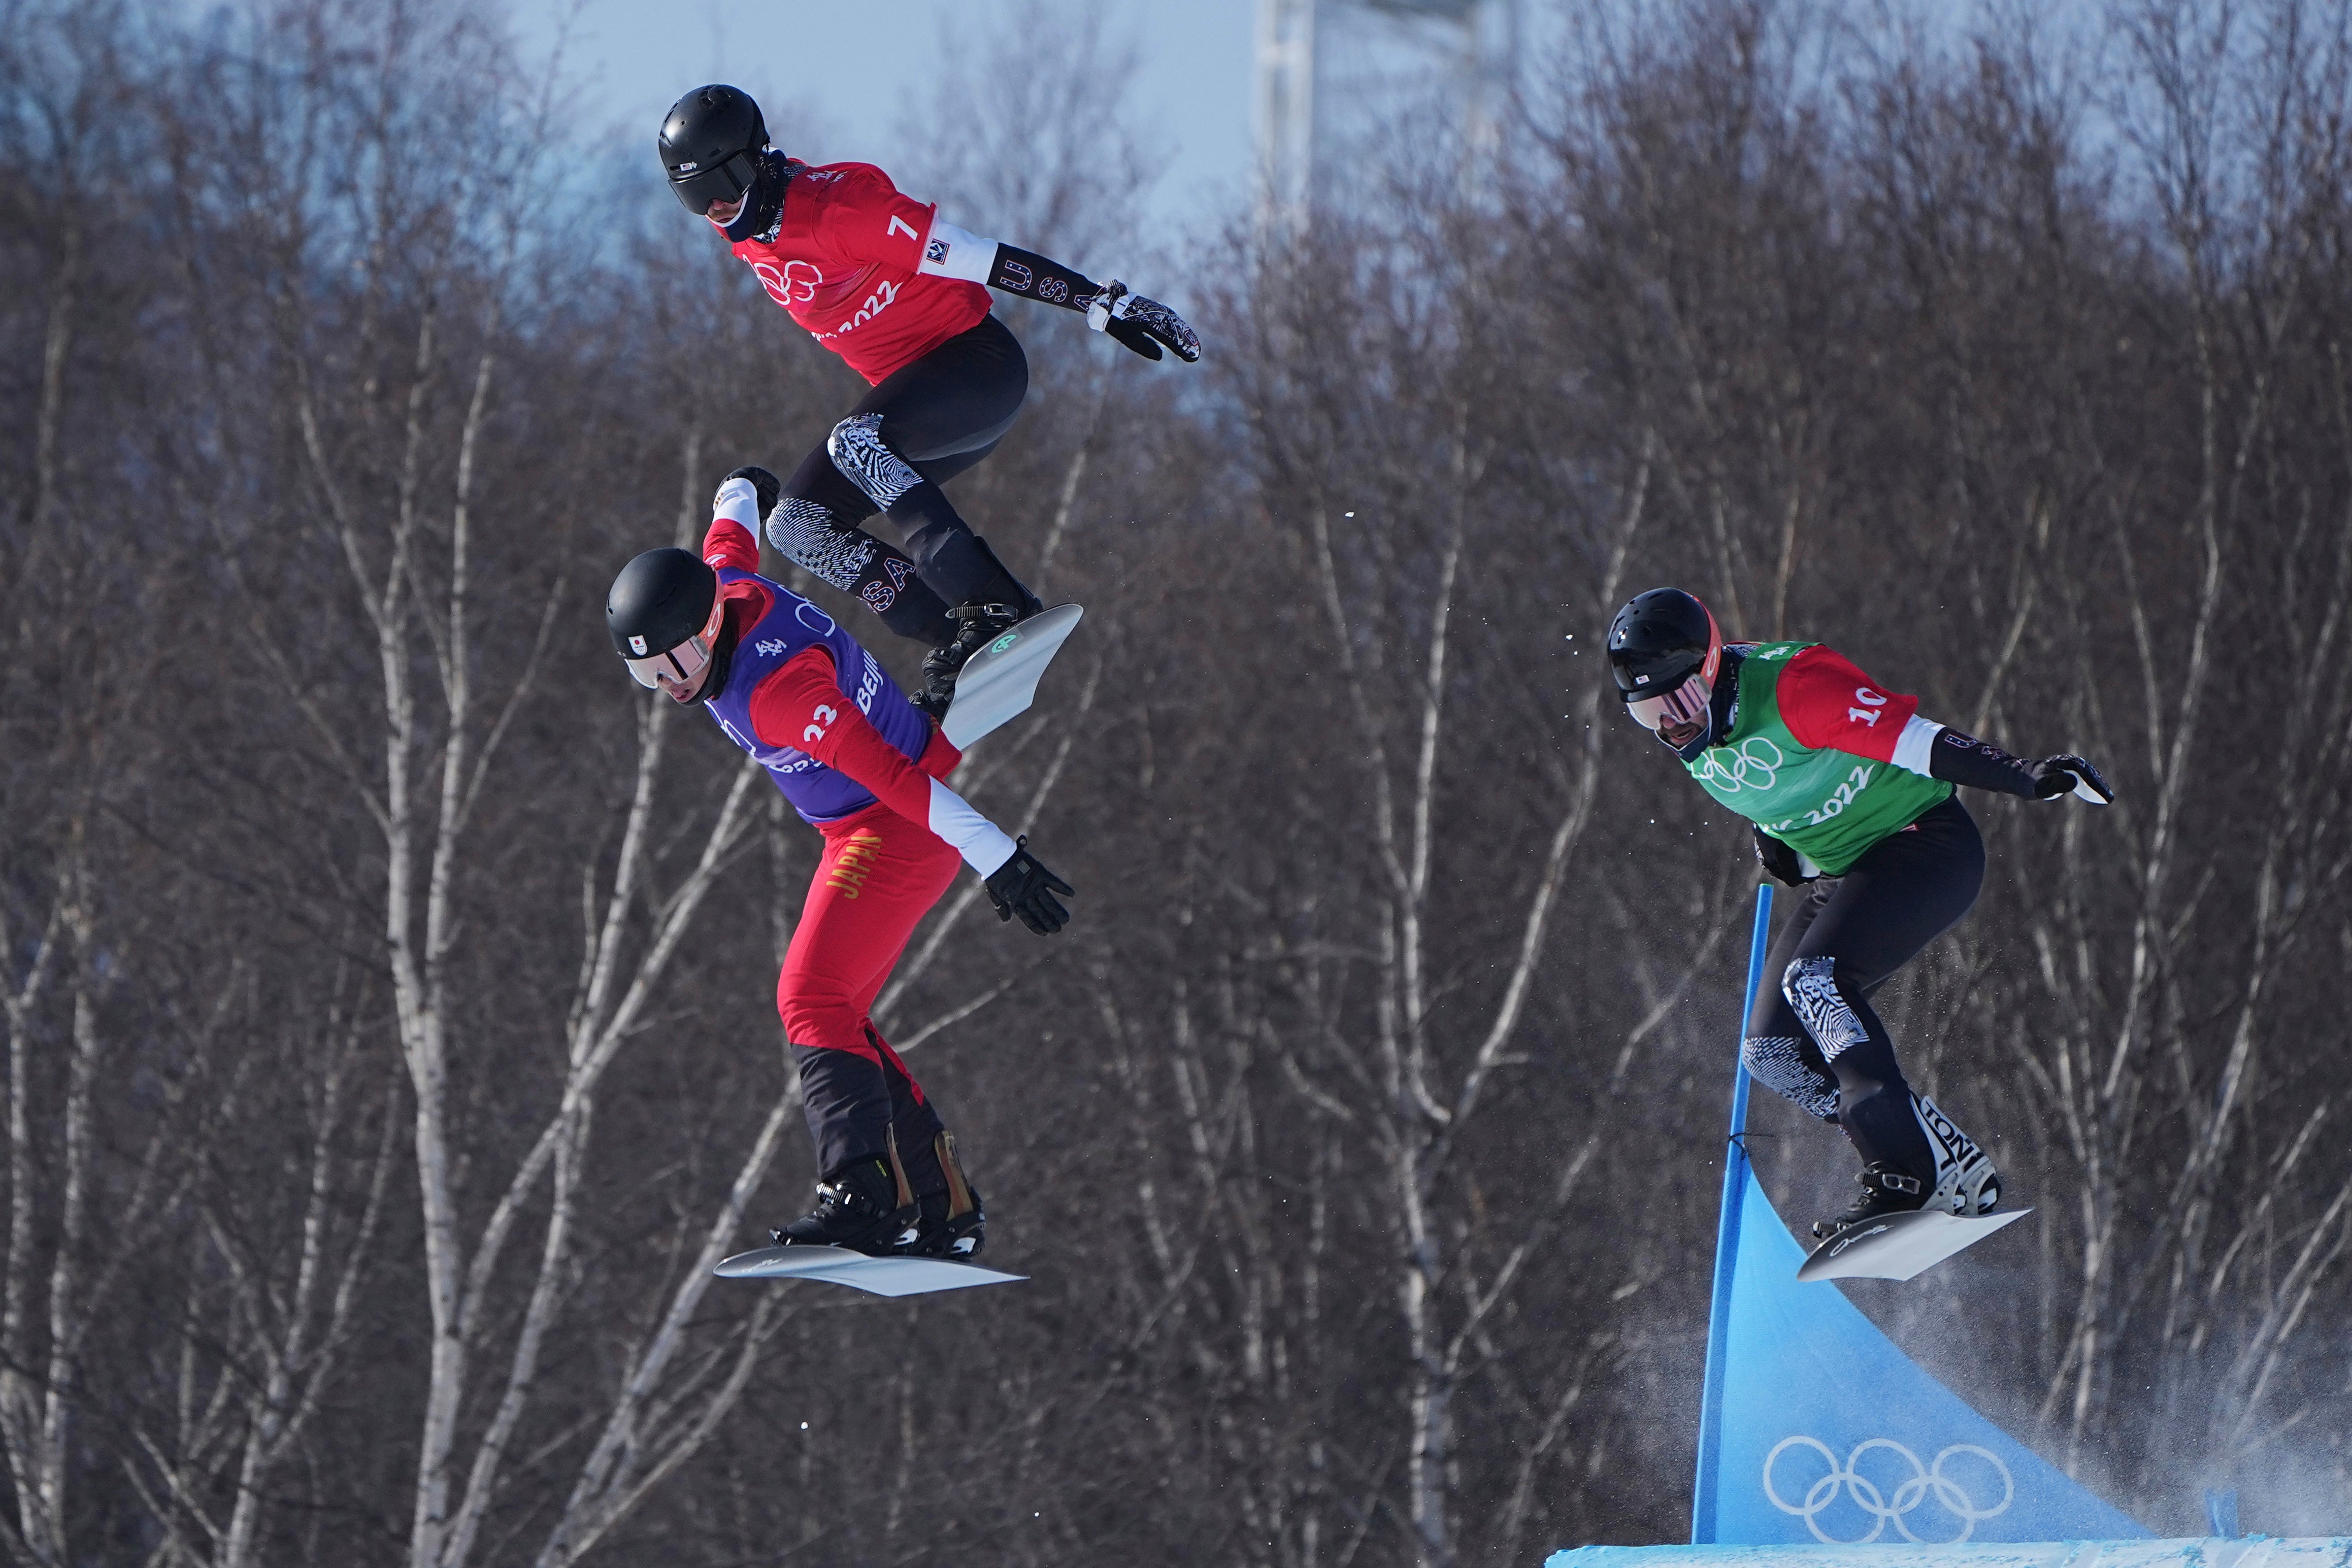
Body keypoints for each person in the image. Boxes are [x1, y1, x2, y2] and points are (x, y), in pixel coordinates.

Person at [606, 469, 1077, 1258]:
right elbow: (729, 531)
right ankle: (942, 1207)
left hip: (892, 823)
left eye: (675, 663)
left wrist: (999, 857)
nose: (671, 686)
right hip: (864, 821)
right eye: (647, 675)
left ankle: (864, 1196)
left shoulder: (779, 692)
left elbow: (898, 784)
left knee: (810, 996)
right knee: (836, 1016)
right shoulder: (725, 584)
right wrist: (740, 486)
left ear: (711, 623)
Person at [656, 83, 1201, 716]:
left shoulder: (843, 210)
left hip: (977, 370)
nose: (716, 210)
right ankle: (958, 639)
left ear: (756, 160)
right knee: (797, 525)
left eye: (722, 186)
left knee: (854, 441)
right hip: (919, 409)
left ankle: (995, 602)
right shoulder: (748, 229)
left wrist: (1098, 301)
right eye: (695, 198)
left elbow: (978, 257)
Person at [1604, 588, 2113, 1243]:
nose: (1671, 725)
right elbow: (1776, 784)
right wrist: (1777, 839)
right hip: (1850, 869)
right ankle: (1942, 1157)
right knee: (1773, 1051)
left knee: (1813, 980)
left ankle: (1904, 1172)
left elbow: (1919, 743)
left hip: (1925, 844)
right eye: (1649, 713)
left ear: (1708, 666)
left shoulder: (1796, 687)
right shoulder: (1690, 736)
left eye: (1678, 700)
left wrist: (2026, 776)